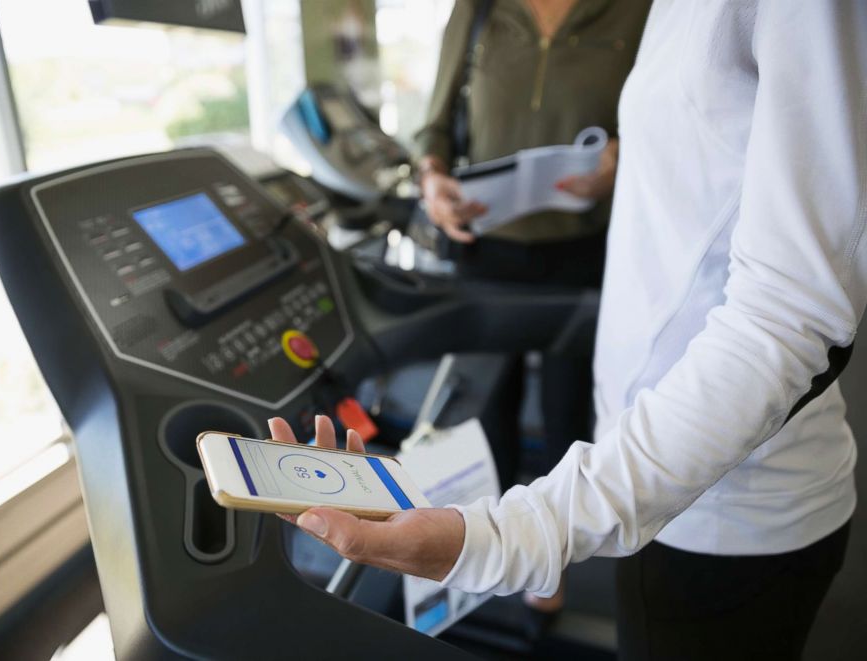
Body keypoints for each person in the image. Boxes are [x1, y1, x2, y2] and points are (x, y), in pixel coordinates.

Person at [270, 2, 866, 659]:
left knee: (561, 414)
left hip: (724, 505)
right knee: (489, 409)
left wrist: (514, 538)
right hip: (664, 482)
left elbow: (790, 313)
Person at [416, 0, 650, 613]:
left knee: (567, 407)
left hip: (581, 247)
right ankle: (482, 550)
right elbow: (434, 126)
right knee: (486, 404)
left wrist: (617, 159)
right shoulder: (479, 10)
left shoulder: (636, 12)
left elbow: (661, 115)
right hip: (486, 247)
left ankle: (552, 562)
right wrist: (432, 180)